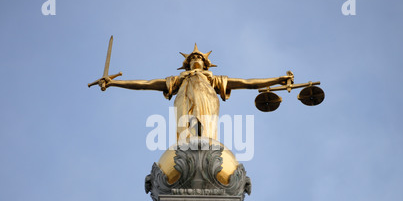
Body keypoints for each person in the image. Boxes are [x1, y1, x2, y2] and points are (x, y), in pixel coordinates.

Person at [99, 44, 294, 141]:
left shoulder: (212, 79)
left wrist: (277, 80)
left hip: (207, 101)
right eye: (192, 57)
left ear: (206, 62)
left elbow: (246, 82)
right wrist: (115, 83)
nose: (196, 58)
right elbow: (147, 84)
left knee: (206, 137)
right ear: (187, 63)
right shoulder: (179, 80)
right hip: (184, 101)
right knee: (186, 137)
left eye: (199, 56)